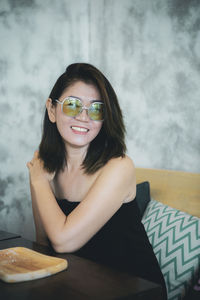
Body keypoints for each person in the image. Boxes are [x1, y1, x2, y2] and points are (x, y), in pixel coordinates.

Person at [27, 63, 167, 298]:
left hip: (135, 290)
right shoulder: (44, 168)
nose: (84, 117)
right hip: (80, 286)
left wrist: (38, 182)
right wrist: (40, 181)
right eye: (72, 105)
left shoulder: (119, 166)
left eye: (96, 110)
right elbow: (45, 244)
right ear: (51, 110)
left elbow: (62, 242)